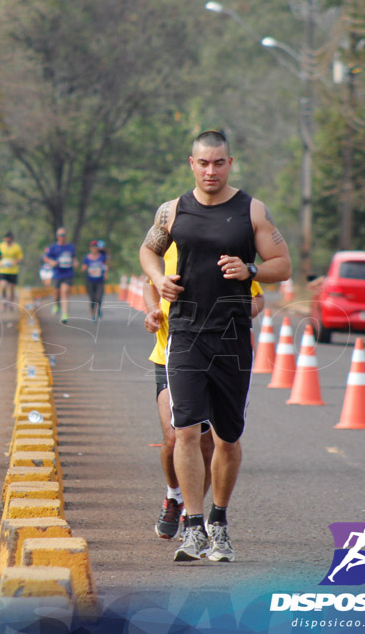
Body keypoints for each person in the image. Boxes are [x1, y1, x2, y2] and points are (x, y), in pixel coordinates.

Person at [139, 130, 291, 563]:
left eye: (219, 163)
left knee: (226, 437)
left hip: (230, 337)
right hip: (184, 333)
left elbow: (283, 265)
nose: (211, 171)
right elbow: (147, 252)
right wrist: (158, 278)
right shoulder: (172, 211)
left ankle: (219, 523)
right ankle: (192, 525)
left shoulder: (251, 210)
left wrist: (251, 269)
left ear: (230, 163)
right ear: (191, 163)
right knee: (184, 430)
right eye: (203, 163)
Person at [143, 242, 265, 542]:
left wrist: (237, 312)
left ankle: (192, 512)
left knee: (206, 443)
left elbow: (258, 297)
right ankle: (174, 496)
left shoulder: (226, 252)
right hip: (169, 353)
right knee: (174, 437)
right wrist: (153, 310)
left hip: (217, 356)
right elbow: (151, 285)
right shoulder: (173, 248)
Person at [43, 228, 75, 323]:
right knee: (57, 294)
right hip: (57, 273)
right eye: (61, 235)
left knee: (65, 292)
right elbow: (45, 258)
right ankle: (56, 304)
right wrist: (52, 262)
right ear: (57, 237)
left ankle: (64, 314)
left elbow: (74, 258)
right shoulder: (53, 247)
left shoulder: (70, 247)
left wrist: (75, 263)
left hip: (68, 273)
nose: (62, 237)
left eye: (64, 235)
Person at [81, 240, 108, 320]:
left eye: (96, 247)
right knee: (92, 298)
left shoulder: (102, 257)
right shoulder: (86, 258)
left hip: (99, 280)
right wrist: (84, 269)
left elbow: (105, 266)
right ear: (90, 248)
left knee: (99, 297)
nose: (94, 249)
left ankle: (99, 308)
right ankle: (93, 315)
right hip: (90, 281)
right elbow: (83, 268)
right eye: (93, 247)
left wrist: (105, 274)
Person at [0, 231, 23, 309]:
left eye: (9, 238)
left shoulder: (17, 247)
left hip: (13, 271)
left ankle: (10, 303)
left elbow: (20, 258)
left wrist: (14, 262)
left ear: (12, 239)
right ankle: (4, 299)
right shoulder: (0, 246)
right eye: (6, 238)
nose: (7, 239)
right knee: (2, 286)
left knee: (11, 289)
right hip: (2, 270)